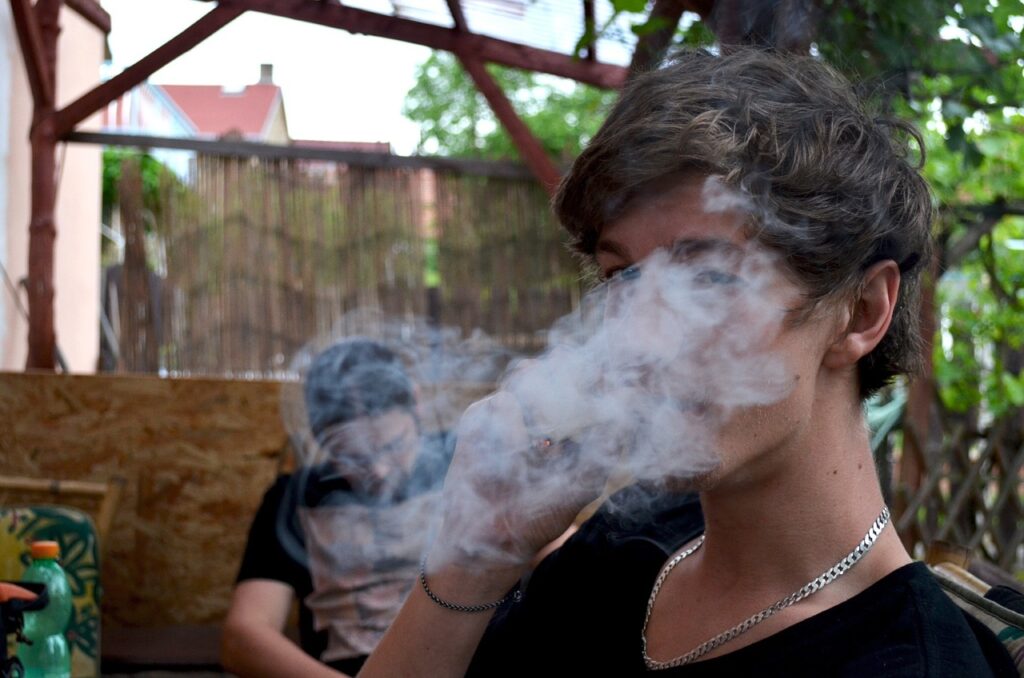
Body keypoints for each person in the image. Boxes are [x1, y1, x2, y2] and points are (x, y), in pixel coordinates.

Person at [360, 48, 1017, 677]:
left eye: (706, 279)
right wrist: (475, 556)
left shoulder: (909, 663)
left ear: (861, 311)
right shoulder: (624, 556)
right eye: (622, 279)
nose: (639, 340)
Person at [221, 339, 452, 678]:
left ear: (415, 403)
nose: (380, 471)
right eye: (354, 458)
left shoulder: (464, 465)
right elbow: (242, 637)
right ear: (320, 441)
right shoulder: (295, 499)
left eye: (393, 446)